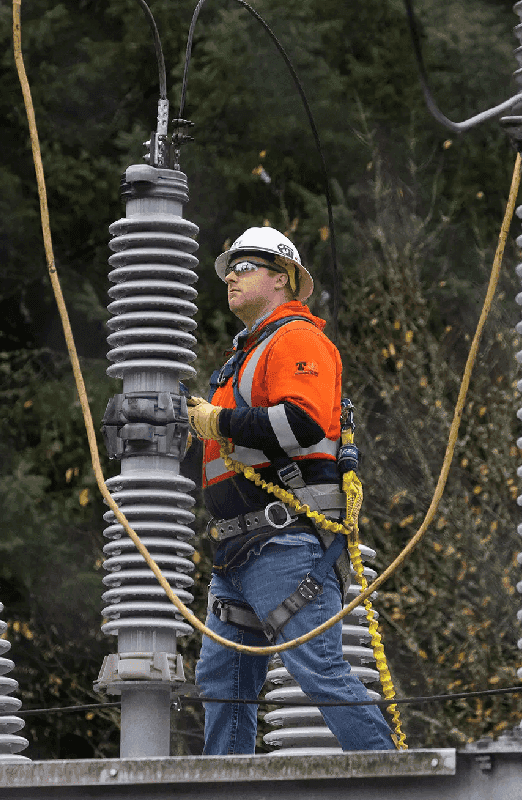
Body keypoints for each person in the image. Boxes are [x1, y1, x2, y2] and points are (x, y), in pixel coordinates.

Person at [186, 226, 395, 754]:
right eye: (229, 268)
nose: (231, 276)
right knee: (224, 685)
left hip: (283, 543)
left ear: (281, 279)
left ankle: (397, 782)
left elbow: (302, 423)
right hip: (237, 551)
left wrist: (221, 422)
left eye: (244, 267)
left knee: (318, 671)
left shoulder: (297, 340)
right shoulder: (245, 355)